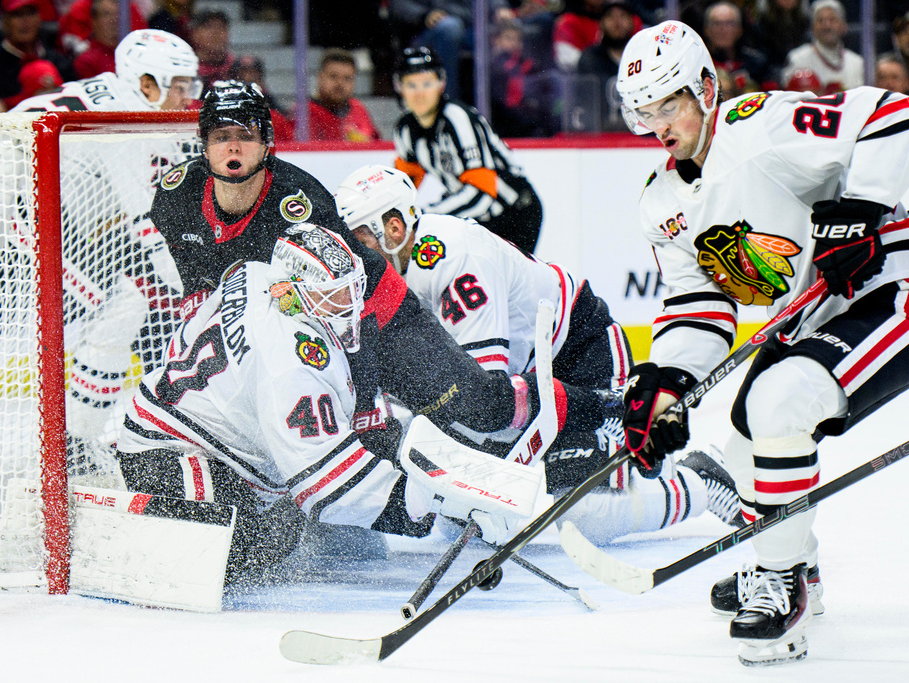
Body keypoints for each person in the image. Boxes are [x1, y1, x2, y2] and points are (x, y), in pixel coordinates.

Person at [615, 20, 909, 665]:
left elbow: (892, 113)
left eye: (669, 104)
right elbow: (699, 305)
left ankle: (781, 586)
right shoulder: (661, 201)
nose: (659, 124)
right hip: (826, 301)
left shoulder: (756, 125)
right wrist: (664, 379)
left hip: (892, 272)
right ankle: (795, 568)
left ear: (705, 87)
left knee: (777, 403)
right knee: (746, 443)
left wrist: (863, 206)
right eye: (644, 112)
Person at [150, 80, 595, 461]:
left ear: (267, 140)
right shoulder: (174, 196)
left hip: (383, 316)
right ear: (203, 143)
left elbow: (352, 304)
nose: (233, 146)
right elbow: (198, 273)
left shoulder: (300, 204)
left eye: (245, 133)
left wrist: (366, 400)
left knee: (478, 406)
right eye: (221, 134)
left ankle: (604, 409)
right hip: (311, 322)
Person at [335, 164, 745, 544]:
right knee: (454, 520)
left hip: (585, 361)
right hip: (526, 382)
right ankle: (623, 466)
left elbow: (482, 394)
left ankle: (697, 481)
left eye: (359, 239)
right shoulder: (389, 277)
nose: (354, 256)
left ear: (394, 227)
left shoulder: (453, 258)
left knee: (586, 513)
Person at [115, 225, 527, 582]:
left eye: (351, 291)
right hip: (170, 448)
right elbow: (326, 488)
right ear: (292, 292)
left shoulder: (256, 273)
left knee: (280, 537)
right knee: (212, 561)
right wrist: (429, 502)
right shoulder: (293, 360)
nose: (348, 307)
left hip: (204, 434)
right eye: (332, 297)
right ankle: (123, 520)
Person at [0, 28, 199, 240]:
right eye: (181, 86)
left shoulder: (112, 91)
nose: (188, 98)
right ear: (148, 85)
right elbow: (144, 222)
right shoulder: (126, 120)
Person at [392, 46, 544, 254]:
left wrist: (425, 216)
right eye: (411, 84)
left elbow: (482, 193)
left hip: (515, 213)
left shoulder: (458, 118)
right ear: (399, 87)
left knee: (502, 285)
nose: (419, 93)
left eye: (427, 83)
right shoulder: (405, 129)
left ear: (441, 84)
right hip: (477, 219)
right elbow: (405, 183)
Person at [0, 0, 76, 108]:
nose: (25, 21)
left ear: (39, 18)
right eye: (18, 15)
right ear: (5, 22)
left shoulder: (58, 60)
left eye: (30, 13)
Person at [576, 0, 642, 132]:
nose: (617, 22)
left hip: (641, 132)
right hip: (602, 135)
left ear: (632, 21)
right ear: (601, 23)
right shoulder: (590, 58)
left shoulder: (643, 57)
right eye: (610, 16)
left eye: (622, 16)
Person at [782, 0, 863, 95]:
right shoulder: (797, 59)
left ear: (843, 26)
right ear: (812, 27)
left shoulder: (858, 63)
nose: (827, 26)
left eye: (832, 20)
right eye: (820, 20)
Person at [307, 47, 380, 142]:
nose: (340, 83)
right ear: (320, 77)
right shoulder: (305, 112)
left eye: (347, 78)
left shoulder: (358, 109)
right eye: (333, 76)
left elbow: (376, 146)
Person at [701, 1, 770, 92]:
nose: (723, 29)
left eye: (729, 23)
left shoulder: (757, 64)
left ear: (740, 29)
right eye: (717, 23)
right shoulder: (699, 64)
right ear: (706, 30)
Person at [72, 0, 120, 79]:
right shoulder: (86, 60)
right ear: (94, 21)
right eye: (106, 14)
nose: (114, 20)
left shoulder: (130, 52)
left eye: (117, 14)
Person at [190, 8, 234, 91]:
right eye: (208, 27)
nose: (215, 32)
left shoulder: (237, 68)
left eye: (221, 27)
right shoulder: (186, 68)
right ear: (194, 33)